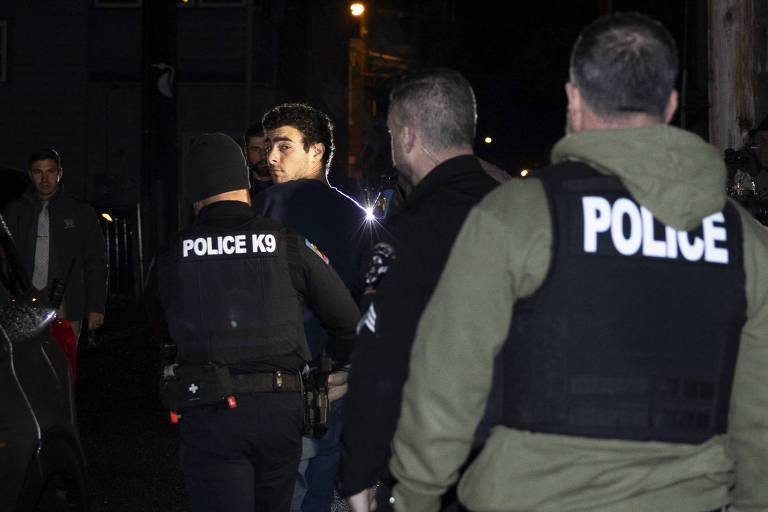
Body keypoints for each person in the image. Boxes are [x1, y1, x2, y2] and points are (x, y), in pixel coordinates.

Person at [389, 12, 768, 512]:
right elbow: (759, 415)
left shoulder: (519, 216)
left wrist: (414, 496)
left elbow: (447, 382)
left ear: (573, 98)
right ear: (672, 104)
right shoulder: (743, 239)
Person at [154, 133, 359, 512]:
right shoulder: (287, 243)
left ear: (194, 196)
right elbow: (346, 319)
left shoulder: (171, 255)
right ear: (245, 186)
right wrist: (329, 368)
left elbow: (161, 329)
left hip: (210, 413)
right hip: (279, 413)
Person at [339, 68, 499, 511]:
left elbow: (380, 359)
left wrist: (357, 474)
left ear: (408, 137)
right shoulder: (521, 215)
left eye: (390, 134)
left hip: (436, 472)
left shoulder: (407, 234)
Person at [252, 103, 366, 512]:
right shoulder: (355, 217)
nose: (270, 158)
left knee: (280, 484)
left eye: (284, 147)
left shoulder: (265, 208)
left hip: (272, 375)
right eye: (268, 147)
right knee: (318, 475)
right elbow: (369, 300)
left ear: (316, 151)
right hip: (330, 376)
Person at [3, 148, 107, 340]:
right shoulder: (15, 211)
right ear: (30, 175)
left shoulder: (80, 212)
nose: (44, 179)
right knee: (25, 365)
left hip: (65, 302)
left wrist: (95, 307)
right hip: (24, 303)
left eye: (50, 172)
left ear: (59, 173)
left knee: (63, 364)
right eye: (38, 172)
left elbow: (96, 261)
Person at [244, 123, 273, 198]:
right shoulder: (237, 187)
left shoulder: (292, 185)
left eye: (268, 148)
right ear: (246, 152)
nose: (263, 156)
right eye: (255, 149)